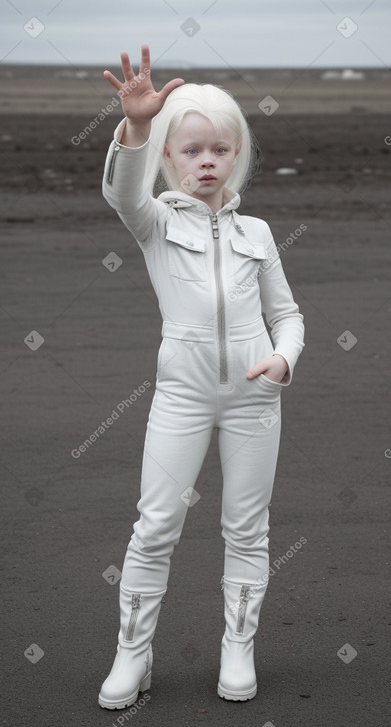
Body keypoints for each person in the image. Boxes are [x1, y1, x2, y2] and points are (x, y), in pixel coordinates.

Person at [98, 44, 305, 709]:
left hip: (253, 400)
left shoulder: (258, 233)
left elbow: (289, 315)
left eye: (219, 149)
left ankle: (236, 651)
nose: (207, 161)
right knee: (155, 524)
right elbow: (119, 191)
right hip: (180, 398)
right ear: (168, 156)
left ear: (234, 155)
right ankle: (132, 657)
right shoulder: (154, 222)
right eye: (191, 150)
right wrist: (134, 126)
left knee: (247, 530)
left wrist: (283, 358)